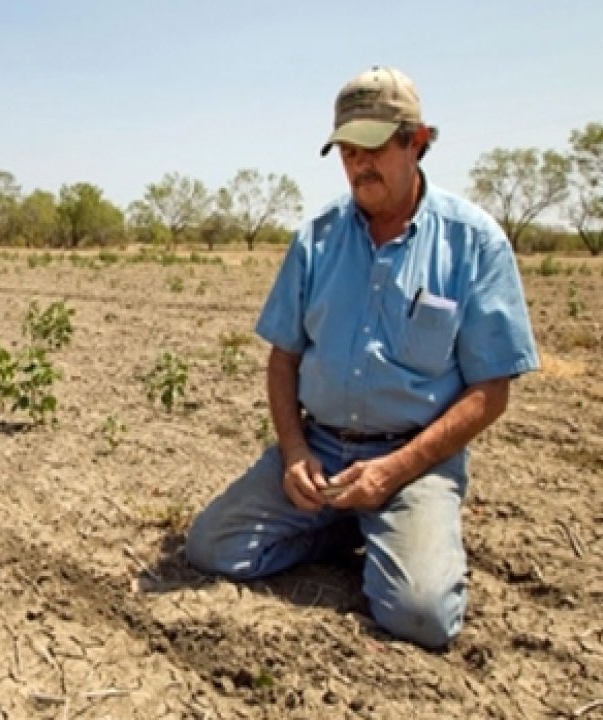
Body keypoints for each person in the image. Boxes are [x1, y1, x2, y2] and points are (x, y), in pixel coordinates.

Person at [185, 66, 539, 650]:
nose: (359, 164)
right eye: (347, 150)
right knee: (212, 548)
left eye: (374, 147)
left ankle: (389, 527)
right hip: (319, 450)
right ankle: (339, 524)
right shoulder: (316, 239)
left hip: (412, 462)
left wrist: (391, 473)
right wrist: (295, 451)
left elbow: (490, 391)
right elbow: (283, 359)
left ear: (417, 143)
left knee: (420, 616)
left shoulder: (473, 243)